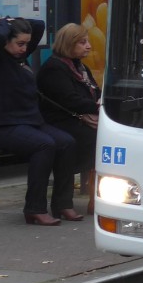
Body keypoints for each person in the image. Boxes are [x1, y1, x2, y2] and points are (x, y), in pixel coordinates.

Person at [0, 16, 80, 226]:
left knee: (67, 142)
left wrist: (14, 20)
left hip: (28, 123)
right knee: (44, 145)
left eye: (26, 44)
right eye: (20, 43)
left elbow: (39, 25)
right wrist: (4, 23)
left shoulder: (18, 57)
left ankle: (62, 204)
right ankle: (34, 208)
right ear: (5, 41)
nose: (25, 48)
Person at [36, 23, 101, 213]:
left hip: (78, 118)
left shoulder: (80, 66)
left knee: (107, 140)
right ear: (68, 44)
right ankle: (69, 203)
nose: (88, 46)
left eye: (87, 41)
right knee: (94, 140)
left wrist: (100, 102)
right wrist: (98, 106)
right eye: (82, 42)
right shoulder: (54, 68)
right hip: (60, 121)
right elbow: (69, 100)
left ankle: (96, 198)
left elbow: (95, 91)